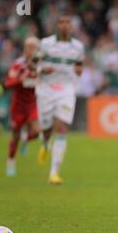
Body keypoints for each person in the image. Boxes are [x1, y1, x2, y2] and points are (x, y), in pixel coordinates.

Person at [35, 14, 85, 185]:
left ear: (71, 27)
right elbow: (33, 64)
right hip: (46, 89)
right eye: (61, 22)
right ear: (57, 25)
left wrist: (79, 71)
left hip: (66, 89)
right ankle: (45, 144)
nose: (64, 25)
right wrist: (42, 69)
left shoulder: (78, 47)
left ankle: (54, 173)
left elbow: (79, 66)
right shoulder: (46, 43)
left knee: (62, 127)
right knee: (47, 127)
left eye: (67, 22)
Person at [4, 36, 41, 177]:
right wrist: (20, 79)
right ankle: (11, 160)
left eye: (34, 47)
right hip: (18, 105)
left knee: (37, 131)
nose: (31, 50)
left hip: (33, 103)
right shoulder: (18, 64)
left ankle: (26, 139)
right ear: (25, 48)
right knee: (15, 135)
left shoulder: (40, 65)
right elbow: (8, 83)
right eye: (29, 46)